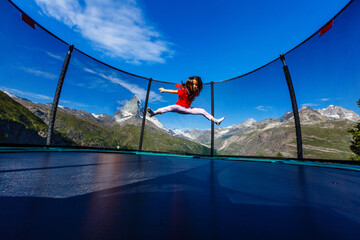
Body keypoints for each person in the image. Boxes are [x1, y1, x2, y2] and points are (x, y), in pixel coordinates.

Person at [147, 76, 225, 125]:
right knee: (170, 107)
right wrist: (164, 90)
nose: (195, 86)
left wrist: (188, 86)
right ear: (189, 85)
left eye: (196, 85)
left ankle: (216, 121)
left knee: (202, 110)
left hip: (188, 109)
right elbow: (174, 91)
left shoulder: (196, 92)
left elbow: (196, 88)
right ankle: (154, 113)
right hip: (179, 107)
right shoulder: (183, 91)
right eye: (193, 84)